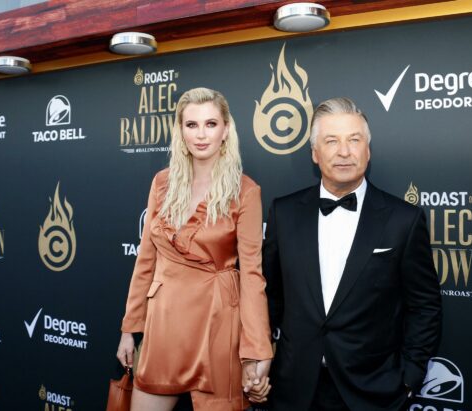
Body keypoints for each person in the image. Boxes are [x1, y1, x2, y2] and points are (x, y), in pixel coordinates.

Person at [263, 97, 442, 410]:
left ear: (368, 151)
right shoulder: (284, 212)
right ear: (315, 153)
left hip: (374, 392)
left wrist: (410, 376)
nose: (344, 151)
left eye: (354, 140)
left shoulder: (404, 219)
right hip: (294, 389)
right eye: (331, 141)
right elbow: (269, 295)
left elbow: (424, 305)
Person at [116, 87, 273, 411]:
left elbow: (252, 276)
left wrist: (256, 349)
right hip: (164, 322)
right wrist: (130, 329)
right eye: (192, 125)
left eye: (211, 124)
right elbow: (145, 260)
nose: (201, 135)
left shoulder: (246, 191)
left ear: (226, 130)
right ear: (180, 130)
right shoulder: (162, 183)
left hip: (217, 323)